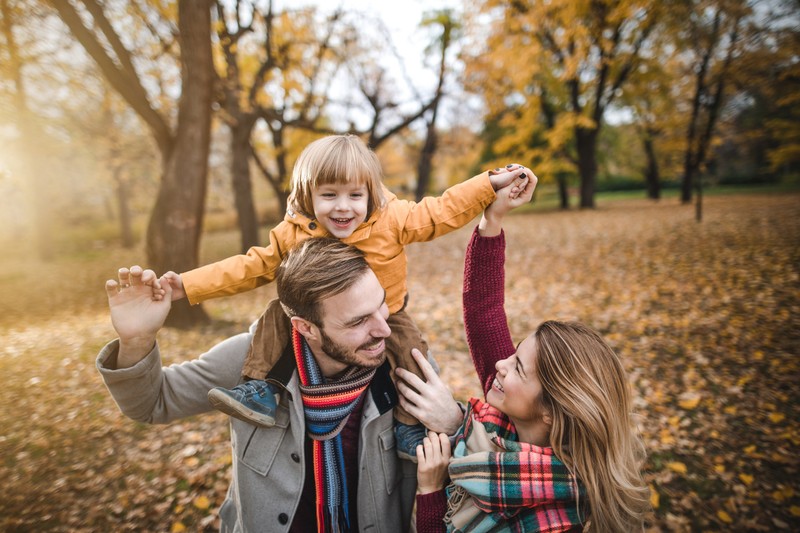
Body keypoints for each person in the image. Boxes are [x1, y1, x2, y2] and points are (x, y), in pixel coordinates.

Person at [152, 134, 530, 459]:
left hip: (390, 311)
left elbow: (442, 209)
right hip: (314, 316)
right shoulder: (295, 233)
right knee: (274, 316)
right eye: (329, 195)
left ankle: (408, 424)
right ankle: (262, 388)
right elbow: (251, 267)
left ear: (370, 194)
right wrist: (188, 285)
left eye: (355, 194)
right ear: (308, 195)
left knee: (412, 356)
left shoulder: (392, 219)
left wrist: (489, 184)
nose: (343, 206)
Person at [98, 238, 464, 532]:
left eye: (381, 306)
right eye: (358, 321)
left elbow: (468, 465)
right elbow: (151, 403)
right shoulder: (252, 361)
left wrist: (453, 422)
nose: (383, 329)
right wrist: (136, 341)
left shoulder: (404, 363)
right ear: (306, 327)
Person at [395, 174, 651, 532]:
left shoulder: (547, 520)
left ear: (551, 411)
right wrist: (492, 219)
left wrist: (431, 490)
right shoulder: (513, 416)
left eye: (518, 367)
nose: (499, 363)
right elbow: (485, 311)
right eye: (514, 354)